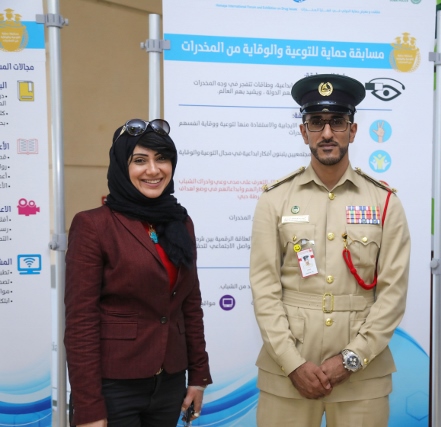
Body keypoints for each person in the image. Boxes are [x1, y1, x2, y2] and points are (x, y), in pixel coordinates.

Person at [249, 74, 411, 427]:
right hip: (286, 374)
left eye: (337, 122)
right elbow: (264, 291)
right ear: (303, 131)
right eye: (316, 122)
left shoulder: (384, 202)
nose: (326, 133)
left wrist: (351, 359)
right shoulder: (275, 200)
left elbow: (393, 296)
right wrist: (292, 363)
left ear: (352, 131)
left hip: (362, 378)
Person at [64, 119, 212, 427]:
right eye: (140, 160)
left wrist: (198, 376)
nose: (153, 170)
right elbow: (81, 322)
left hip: (170, 383)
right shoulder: (93, 225)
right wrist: (89, 408)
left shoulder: (181, 223)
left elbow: (190, 304)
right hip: (114, 386)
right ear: (122, 165)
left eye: (162, 159)